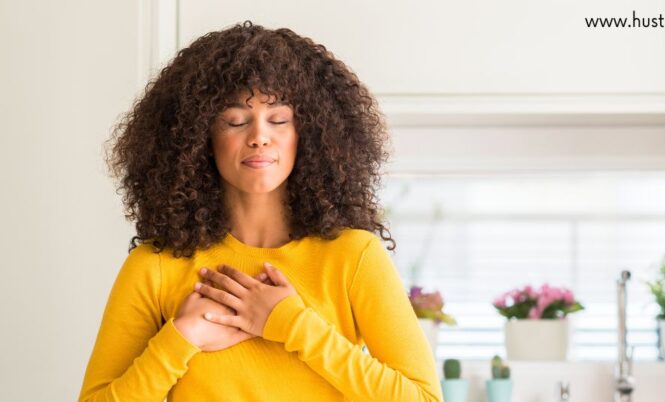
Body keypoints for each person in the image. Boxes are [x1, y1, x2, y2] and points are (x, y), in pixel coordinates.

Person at [78, 20, 441, 402]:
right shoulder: (155, 266)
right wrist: (181, 338)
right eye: (235, 121)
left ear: (310, 134)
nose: (259, 136)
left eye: (279, 119)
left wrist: (292, 324)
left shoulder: (354, 257)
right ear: (199, 137)